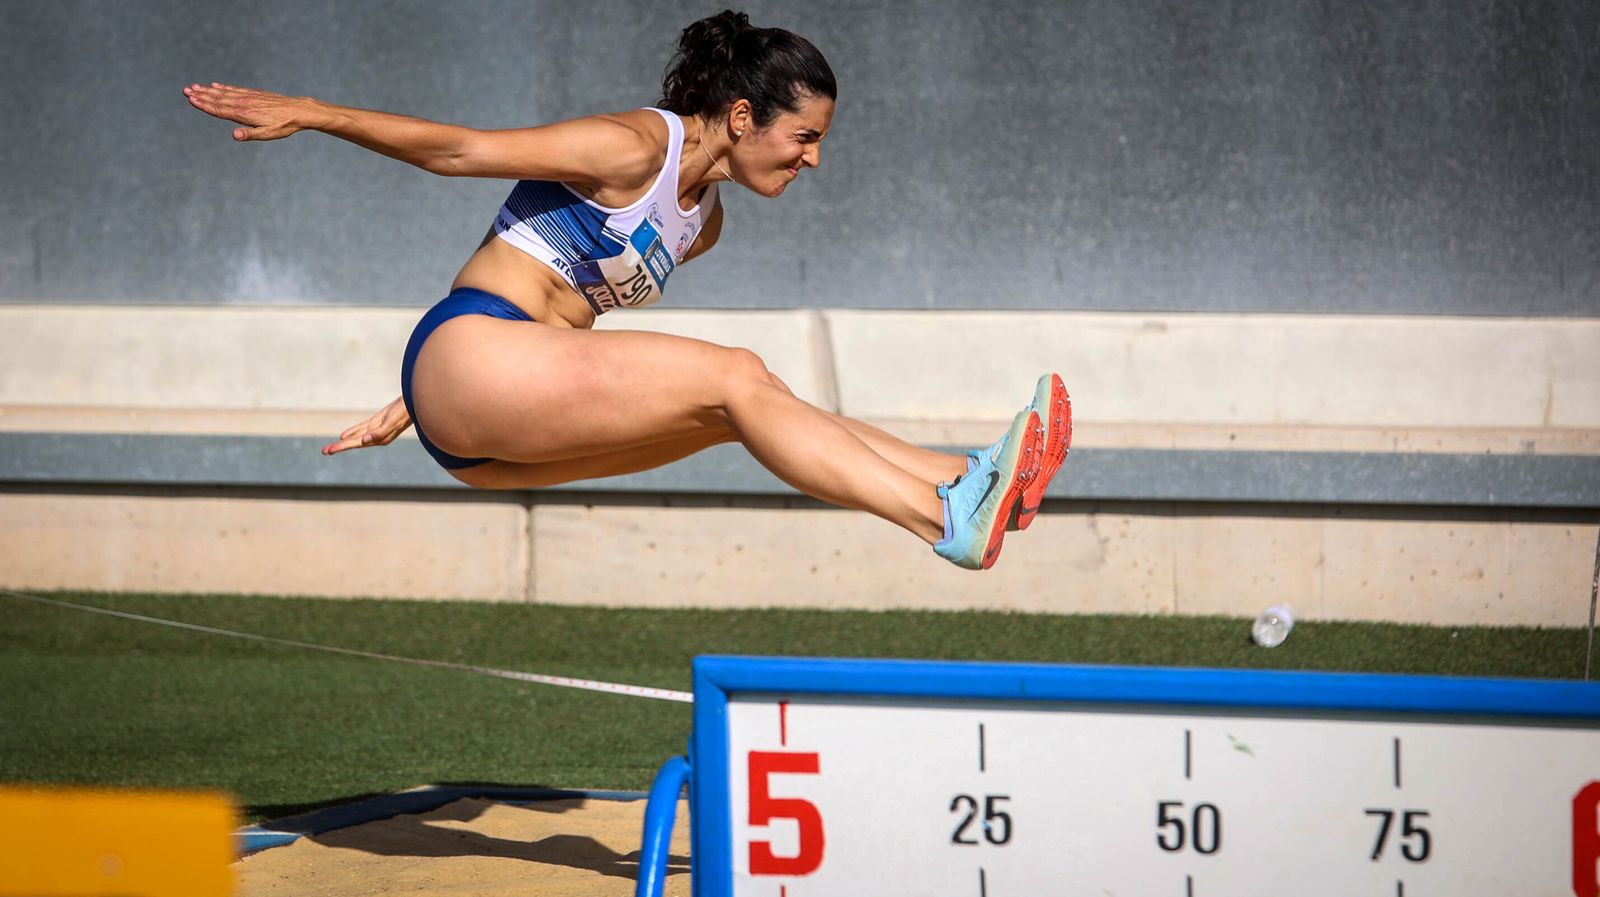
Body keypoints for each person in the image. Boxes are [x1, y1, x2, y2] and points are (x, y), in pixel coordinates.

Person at [184, 9, 1070, 570]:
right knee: (738, 376)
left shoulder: (704, 222)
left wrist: (422, 399)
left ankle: (972, 476)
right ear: (740, 117)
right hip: (472, 351)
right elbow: (459, 152)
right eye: (802, 137)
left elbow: (561, 307)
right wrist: (316, 112)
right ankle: (941, 515)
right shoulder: (632, 150)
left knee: (751, 405)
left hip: (488, 411)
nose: (814, 159)